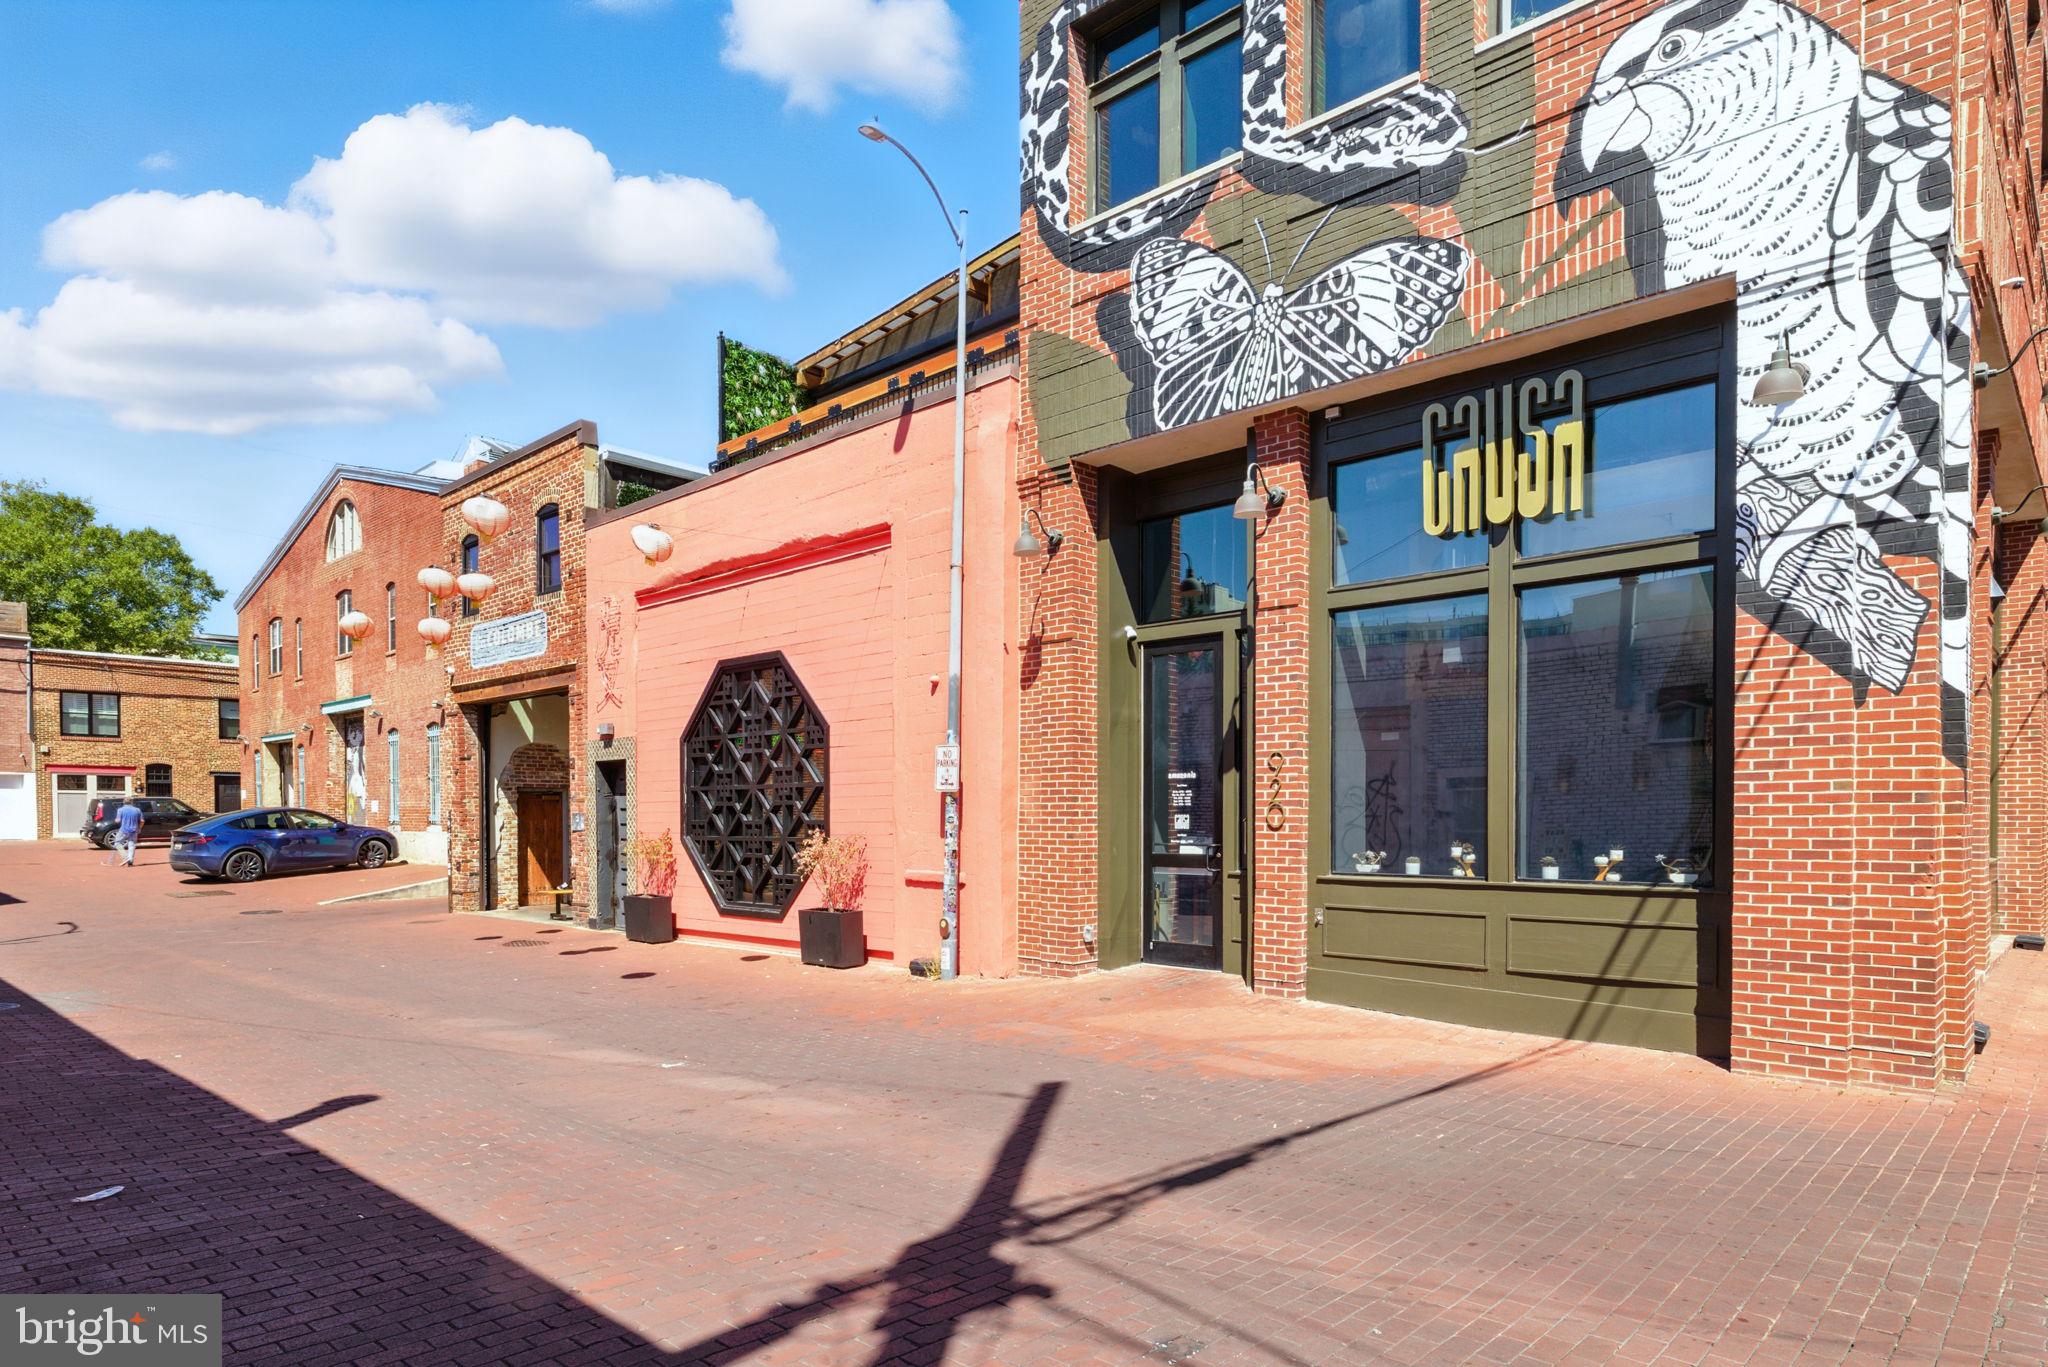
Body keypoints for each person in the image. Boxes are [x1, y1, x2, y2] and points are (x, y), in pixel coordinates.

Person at [113, 797, 143, 867]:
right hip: (134, 830)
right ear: (132, 802)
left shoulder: (120, 810)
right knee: (131, 845)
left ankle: (125, 857)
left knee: (117, 843)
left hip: (124, 830)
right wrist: (139, 828)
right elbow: (142, 821)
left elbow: (118, 820)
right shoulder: (137, 810)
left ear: (124, 802)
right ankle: (130, 862)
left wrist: (115, 820)